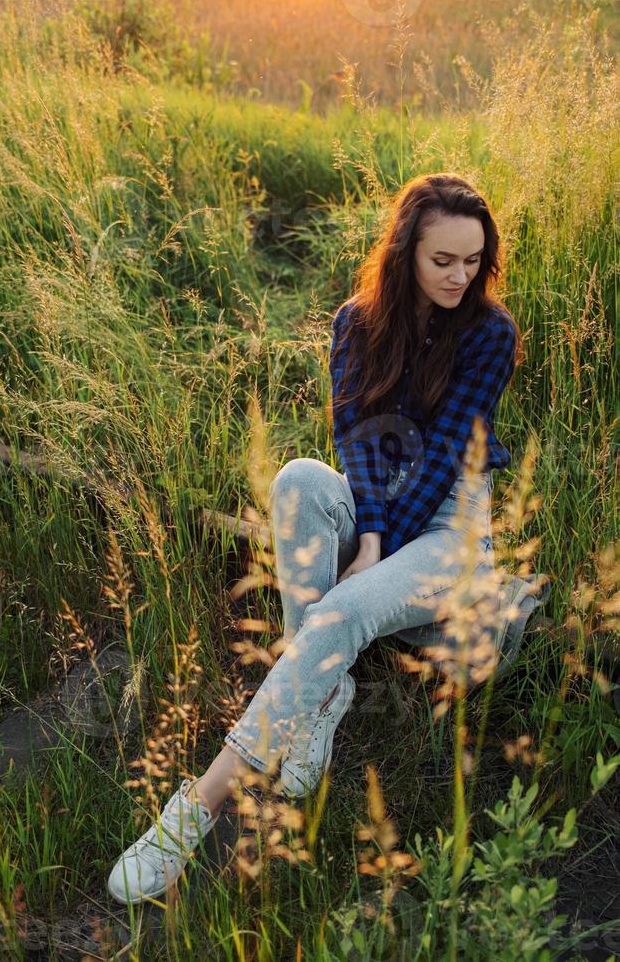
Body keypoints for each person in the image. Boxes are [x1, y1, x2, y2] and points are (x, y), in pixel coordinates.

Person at [107, 172, 524, 905]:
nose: (461, 276)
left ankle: (194, 808)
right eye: (442, 261)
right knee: (300, 478)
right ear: (406, 254)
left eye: (473, 260)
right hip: (380, 499)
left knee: (344, 611)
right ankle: (320, 699)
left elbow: (449, 456)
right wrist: (366, 529)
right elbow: (356, 439)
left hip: (450, 527)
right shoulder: (357, 322)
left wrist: (378, 545)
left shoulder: (490, 333)